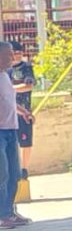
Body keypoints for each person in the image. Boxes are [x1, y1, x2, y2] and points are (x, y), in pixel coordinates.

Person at [0, 43, 32, 230]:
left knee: (14, 174)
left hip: (11, 130)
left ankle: (9, 212)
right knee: (2, 174)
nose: (12, 58)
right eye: (8, 55)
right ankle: (2, 215)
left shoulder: (5, 76)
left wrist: (23, 112)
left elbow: (9, 99)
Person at [8, 41, 34, 179]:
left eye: (19, 53)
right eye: (14, 53)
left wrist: (9, 89)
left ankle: (24, 169)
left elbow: (28, 85)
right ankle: (13, 169)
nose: (16, 56)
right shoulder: (5, 70)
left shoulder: (26, 67)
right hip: (8, 112)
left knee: (26, 141)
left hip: (24, 110)